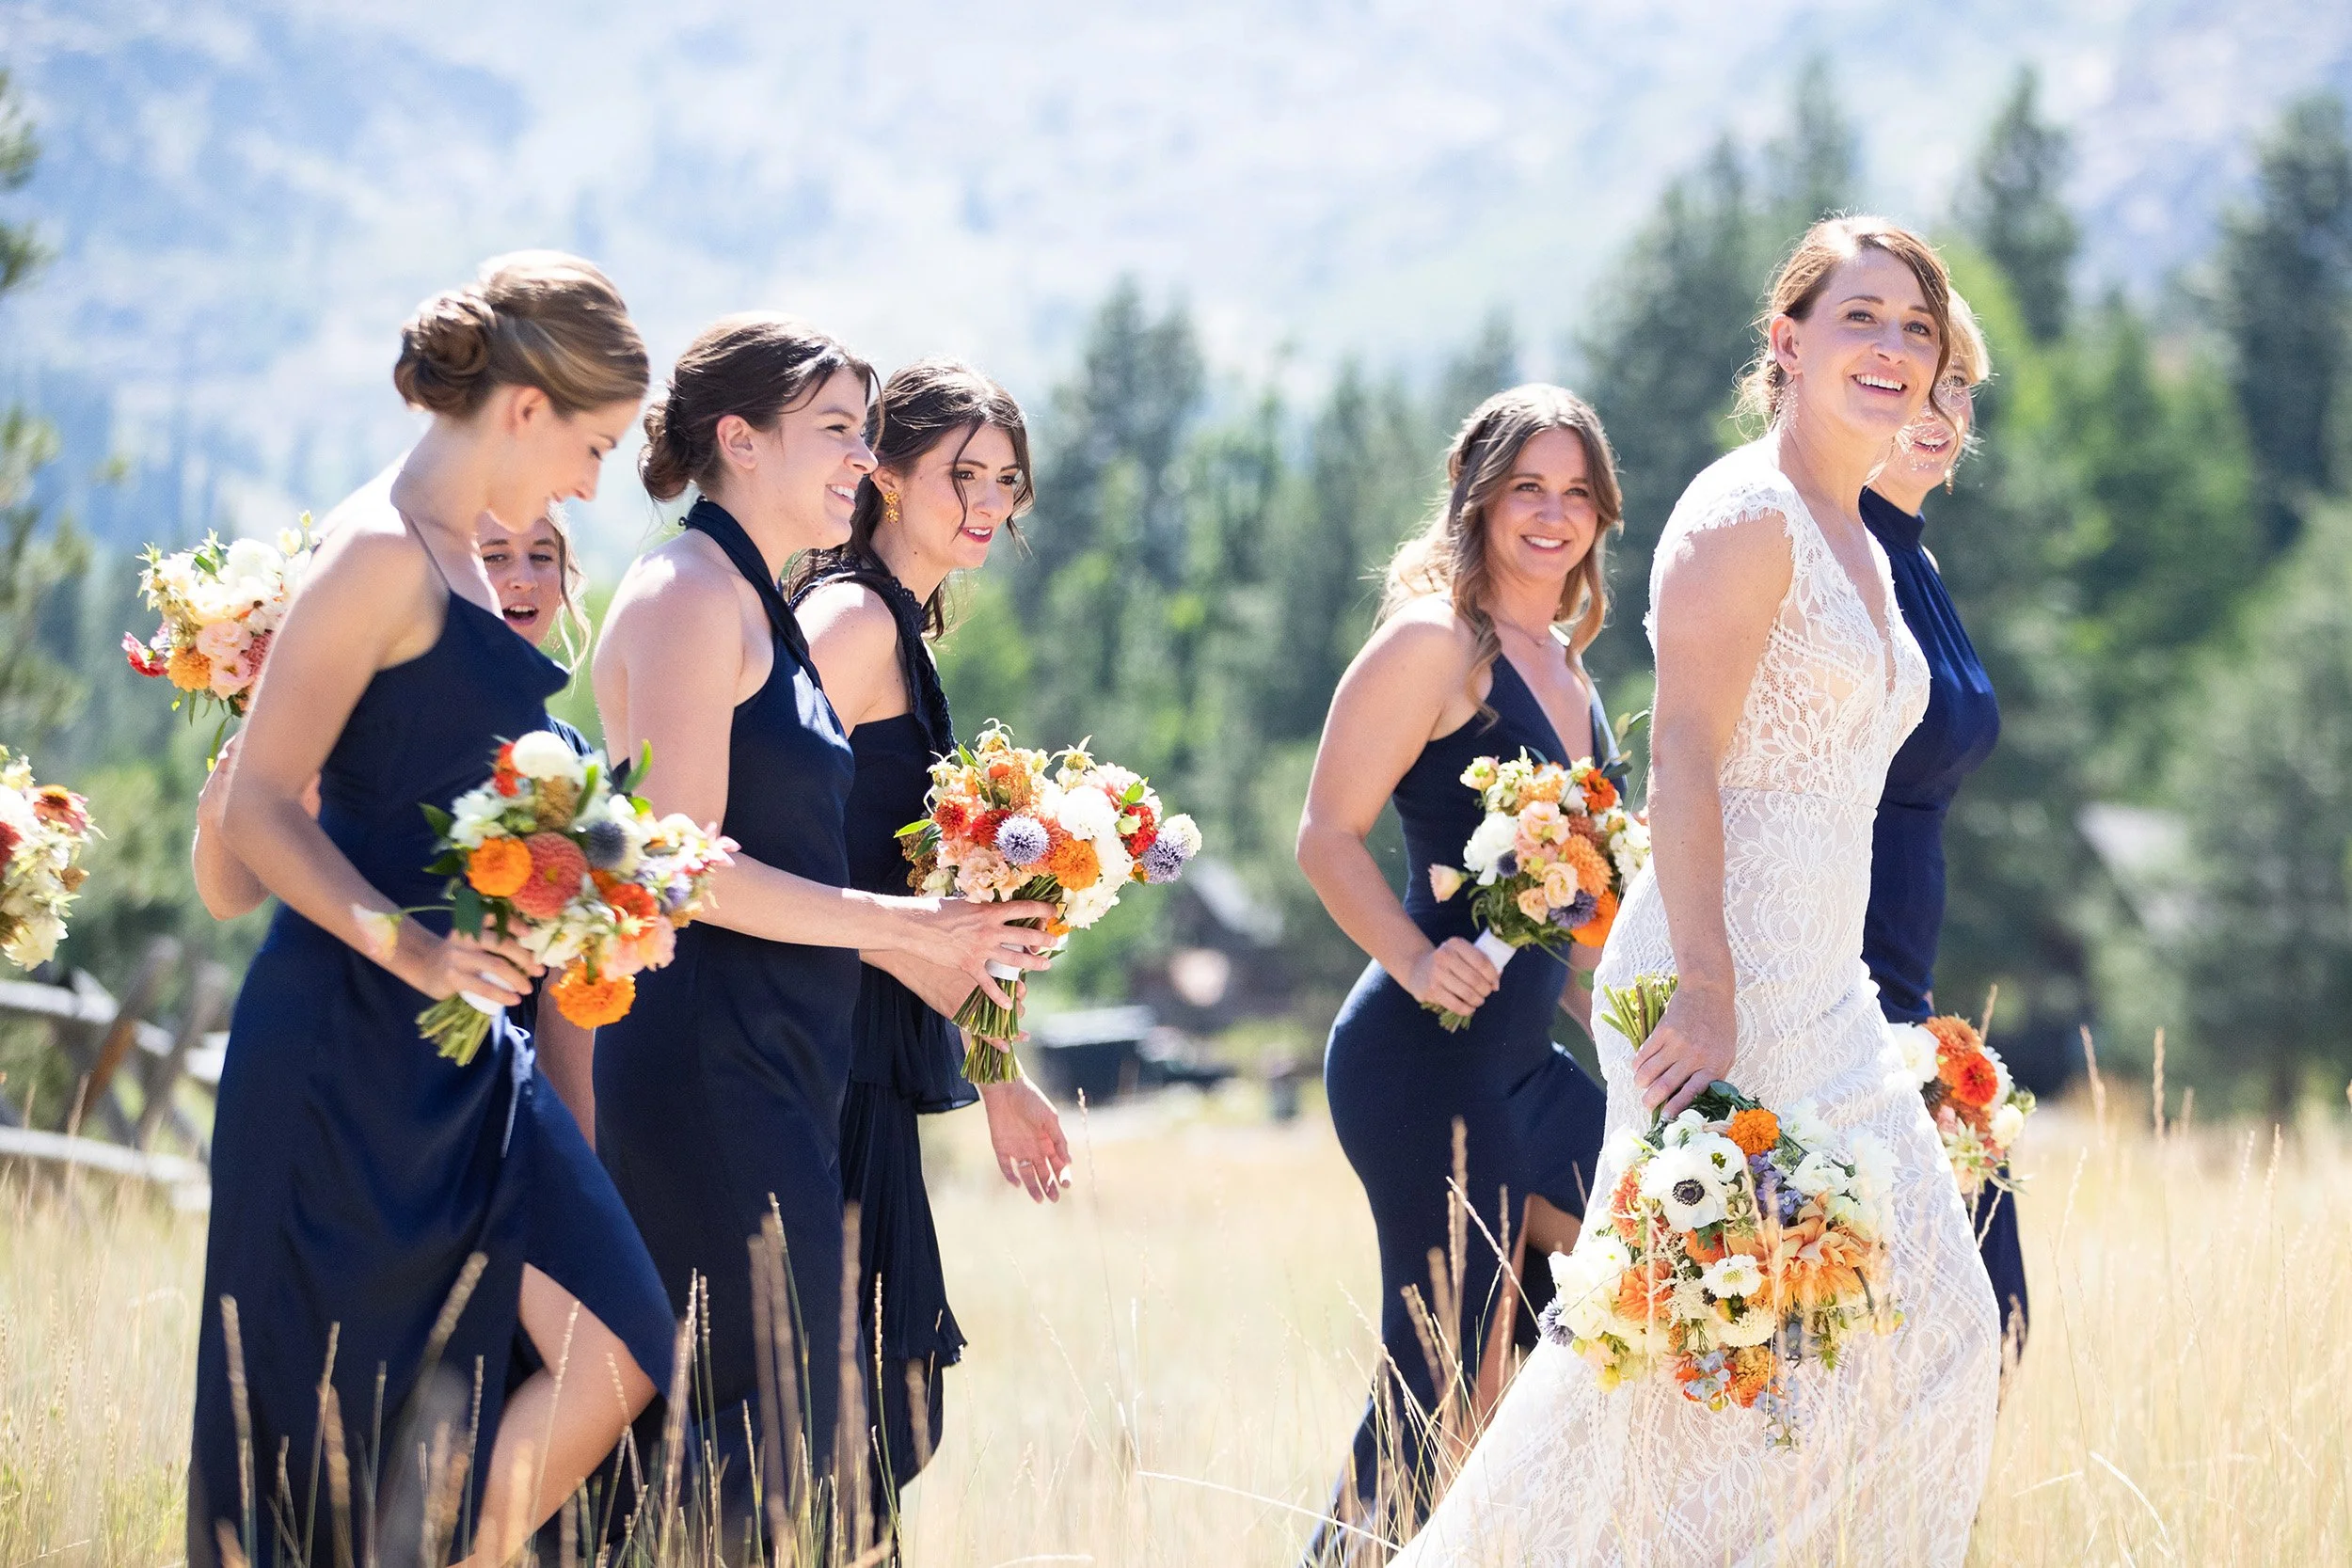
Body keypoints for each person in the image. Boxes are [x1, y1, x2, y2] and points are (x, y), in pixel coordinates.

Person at [1393, 218, 2000, 1567]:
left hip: (1824, 989)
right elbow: (1683, 748)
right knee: (1672, 1376)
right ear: (1787, 343)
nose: (1896, 349)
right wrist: (1714, 986)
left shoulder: (1859, 532)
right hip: (1716, 992)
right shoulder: (1745, 514)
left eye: (1917, 326)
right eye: (1863, 319)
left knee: (1921, 1338)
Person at [189, 253, 675, 1568]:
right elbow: (257, 813)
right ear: (522, 408)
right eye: (588, 445)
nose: (587, 481)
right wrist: (402, 939)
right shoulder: (376, 553)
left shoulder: (467, 555)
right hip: (341, 1041)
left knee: (626, 1337)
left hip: (468, 1052)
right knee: (315, 1421)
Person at [591, 315, 1056, 1550]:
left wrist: (990, 1017)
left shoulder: (780, 603)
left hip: (799, 1052)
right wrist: (923, 926)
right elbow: (703, 856)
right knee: (807, 1421)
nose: (989, 502)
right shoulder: (813, 615)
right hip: (755, 1053)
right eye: (843, 432)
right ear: (740, 440)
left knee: (823, 1424)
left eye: (1007, 481)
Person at [1295, 385, 1626, 1556]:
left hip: (1526, 1068)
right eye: (1526, 487)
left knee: (1663, 1273)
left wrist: (1635, 1031)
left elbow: (1575, 916)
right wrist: (1416, 953)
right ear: (1475, 496)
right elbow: (1325, 834)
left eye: (1576, 491)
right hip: (1418, 1062)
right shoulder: (1435, 643)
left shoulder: (1572, 672)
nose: (1552, 514)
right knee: (1446, 1379)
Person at [788, 357, 1073, 1533]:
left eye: (1005, 479)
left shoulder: (903, 632)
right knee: (852, 1416)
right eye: (962, 474)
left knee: (882, 1415)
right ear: (886, 475)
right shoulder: (849, 621)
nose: (988, 502)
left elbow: (923, 899)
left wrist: (1004, 1071)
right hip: (813, 1058)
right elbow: (787, 856)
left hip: (866, 1062)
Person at [190, 509, 605, 1131]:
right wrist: (226, 796)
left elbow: (563, 1010)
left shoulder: (571, 769)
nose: (523, 578)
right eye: (494, 556)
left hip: (491, 1100)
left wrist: (576, 1151)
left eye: (542, 556)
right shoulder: (355, 732)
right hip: (344, 1072)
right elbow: (230, 897)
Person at [1859, 294, 2026, 1353]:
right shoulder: (1838, 552)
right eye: (1919, 378)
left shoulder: (1918, 561)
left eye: (1957, 383)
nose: (1939, 405)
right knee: (1955, 1318)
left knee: (1991, 1315)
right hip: (1826, 973)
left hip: (1902, 984)